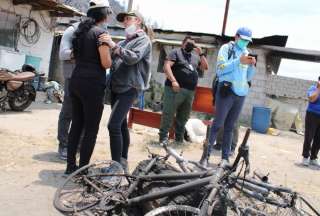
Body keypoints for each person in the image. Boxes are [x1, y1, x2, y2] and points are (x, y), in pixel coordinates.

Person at [99, 11, 152, 172]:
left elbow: (132, 58)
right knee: (121, 126)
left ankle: (115, 168)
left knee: (113, 125)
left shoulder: (144, 40)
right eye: (124, 20)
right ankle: (122, 162)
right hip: (117, 87)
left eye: (128, 19)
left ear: (138, 21)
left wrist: (113, 46)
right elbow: (113, 62)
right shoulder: (124, 42)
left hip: (130, 88)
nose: (125, 23)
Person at [65, 0, 112, 175]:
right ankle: (83, 170)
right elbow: (106, 63)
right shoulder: (101, 34)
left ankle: (70, 167)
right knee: (91, 129)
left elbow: (74, 57)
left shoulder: (80, 32)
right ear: (104, 14)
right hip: (92, 85)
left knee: (76, 124)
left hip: (76, 81)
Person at [200, 27, 256, 166]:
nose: (245, 43)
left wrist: (252, 67)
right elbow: (220, 69)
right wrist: (238, 61)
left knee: (230, 126)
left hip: (240, 93)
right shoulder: (226, 48)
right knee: (217, 124)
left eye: (247, 41)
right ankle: (205, 157)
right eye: (243, 39)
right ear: (236, 37)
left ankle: (225, 159)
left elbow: (248, 77)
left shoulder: (245, 52)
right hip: (226, 90)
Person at [159, 36, 209, 143]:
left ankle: (179, 140)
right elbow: (166, 66)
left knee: (183, 116)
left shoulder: (195, 57)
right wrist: (173, 81)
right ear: (183, 43)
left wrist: (201, 53)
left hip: (189, 92)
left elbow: (205, 67)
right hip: (175, 89)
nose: (190, 46)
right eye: (188, 43)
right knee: (169, 113)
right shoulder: (175, 52)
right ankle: (163, 138)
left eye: (192, 44)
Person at [57, 21, 79, 160]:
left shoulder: (101, 30)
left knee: (83, 115)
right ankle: (63, 144)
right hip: (72, 77)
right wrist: (80, 52)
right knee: (68, 111)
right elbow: (63, 54)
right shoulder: (72, 30)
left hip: (89, 79)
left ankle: (77, 146)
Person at [301, 76, 320, 167]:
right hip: (312, 115)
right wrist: (318, 89)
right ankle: (305, 157)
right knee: (309, 136)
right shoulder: (312, 88)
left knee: (318, 139)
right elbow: (312, 99)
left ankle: (313, 158)